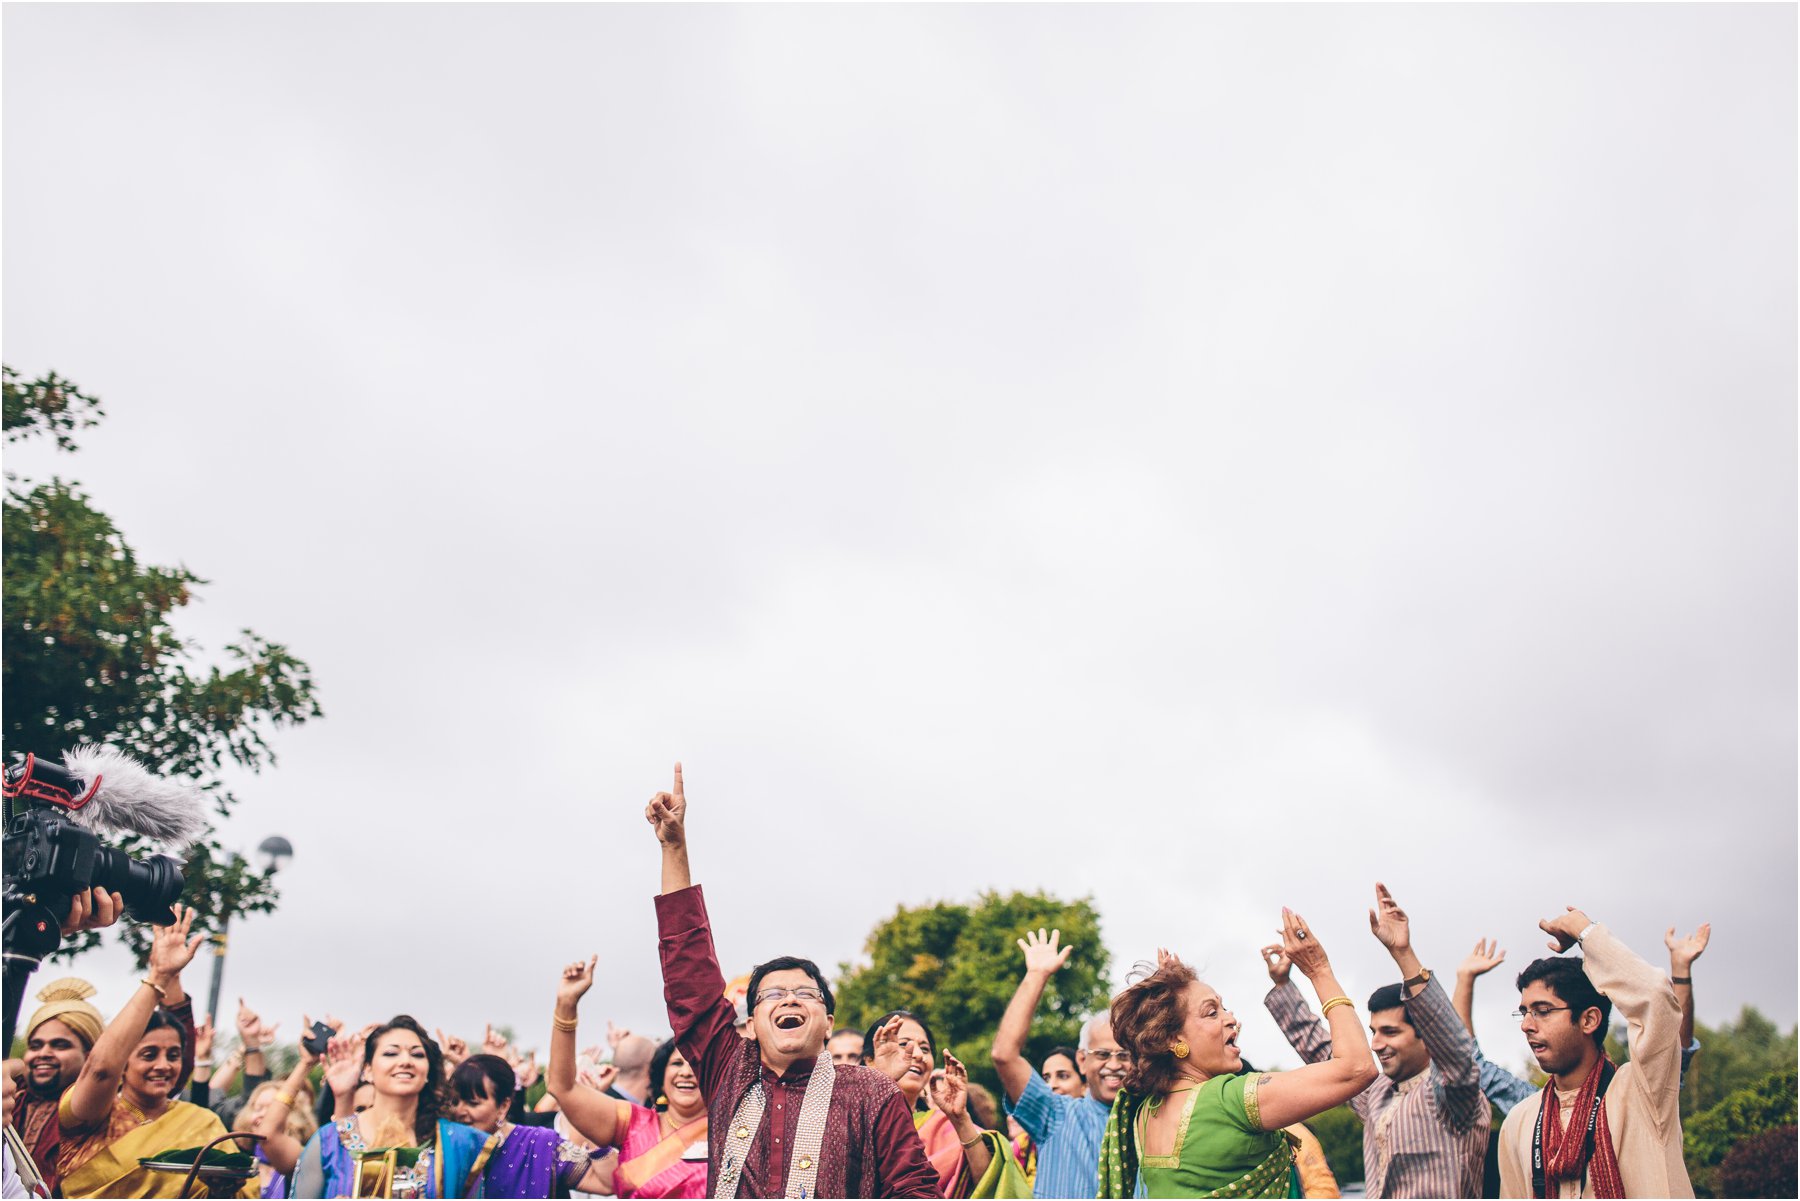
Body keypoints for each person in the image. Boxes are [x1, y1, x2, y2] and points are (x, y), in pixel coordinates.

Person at [646, 762, 939, 1197]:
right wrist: (674, 849)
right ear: (752, 1022)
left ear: (828, 1023)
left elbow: (915, 1188)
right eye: (773, 995)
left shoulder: (870, 1092)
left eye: (805, 993)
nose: (789, 1001)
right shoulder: (728, 1067)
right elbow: (689, 973)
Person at [1099, 913, 1379, 1199]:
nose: (1232, 1019)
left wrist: (1169, 1000)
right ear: (1172, 1038)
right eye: (1212, 1012)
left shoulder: (1145, 1111)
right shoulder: (1229, 1101)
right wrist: (1319, 970)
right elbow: (1357, 1068)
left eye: (1225, 1008)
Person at [1264, 885, 1489, 1197]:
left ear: (1427, 1039)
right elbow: (1323, 1050)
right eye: (1374, 1032)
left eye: (1391, 1032)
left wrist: (1403, 954)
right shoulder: (1377, 1094)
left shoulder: (1454, 1094)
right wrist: (1284, 984)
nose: (1376, 1044)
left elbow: (1455, 1049)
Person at [1495, 907, 1693, 1198]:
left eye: (1543, 1011)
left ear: (1589, 1020)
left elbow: (1655, 997)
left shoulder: (1643, 1092)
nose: (1526, 1025)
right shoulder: (1519, 1121)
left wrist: (1585, 931)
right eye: (1524, 1012)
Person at [55, 905, 251, 1199]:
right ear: (124, 1062)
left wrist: (223, 1190)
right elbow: (100, 1069)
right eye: (149, 1055)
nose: (163, 1065)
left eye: (173, 1055)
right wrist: (158, 976)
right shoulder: (94, 1114)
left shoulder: (202, 1122)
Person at [549, 961, 709, 1199]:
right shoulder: (634, 1122)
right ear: (660, 1078)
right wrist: (566, 1005)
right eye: (676, 1064)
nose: (685, 1072)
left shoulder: (733, 1131)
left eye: (695, 1066)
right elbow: (562, 1087)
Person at [290, 1016, 490, 1199]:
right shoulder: (329, 1141)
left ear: (428, 1071)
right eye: (391, 1053)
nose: (405, 1061)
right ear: (367, 1070)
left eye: (417, 1055)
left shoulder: (459, 1143)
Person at [990, 928, 1125, 1198]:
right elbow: (1004, 1054)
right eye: (1102, 1054)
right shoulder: (1055, 1114)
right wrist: (1037, 976)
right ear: (1082, 1060)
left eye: (1125, 1055)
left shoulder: (1151, 1118)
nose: (1114, 1065)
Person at [861, 1011, 1027, 1197]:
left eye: (925, 1049)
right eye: (903, 1044)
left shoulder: (943, 1127)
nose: (917, 1055)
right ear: (870, 1060)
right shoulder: (848, 1121)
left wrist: (960, 1118)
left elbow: (992, 1184)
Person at [448, 1054, 607, 1197]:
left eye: (472, 1103)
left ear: (503, 1107)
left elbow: (605, 1184)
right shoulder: (442, 1144)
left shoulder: (537, 1144)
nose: (459, 1111)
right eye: (454, 1102)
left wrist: (591, 1110)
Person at [10, 975, 105, 1196]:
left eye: (59, 1045)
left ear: (89, 1056)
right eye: (36, 1045)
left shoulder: (99, 1111)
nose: (43, 1053)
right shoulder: (11, 1100)